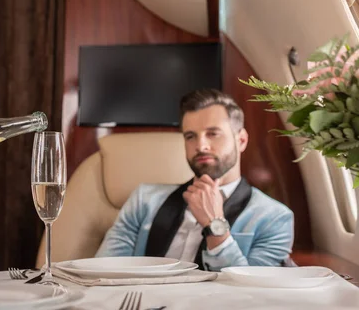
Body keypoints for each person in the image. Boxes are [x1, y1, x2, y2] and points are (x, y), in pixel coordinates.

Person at [95, 89, 294, 271]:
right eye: (190, 136)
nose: (201, 145)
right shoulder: (144, 199)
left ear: (241, 140)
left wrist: (215, 226)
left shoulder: (274, 218)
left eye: (212, 134)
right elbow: (104, 270)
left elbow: (254, 294)